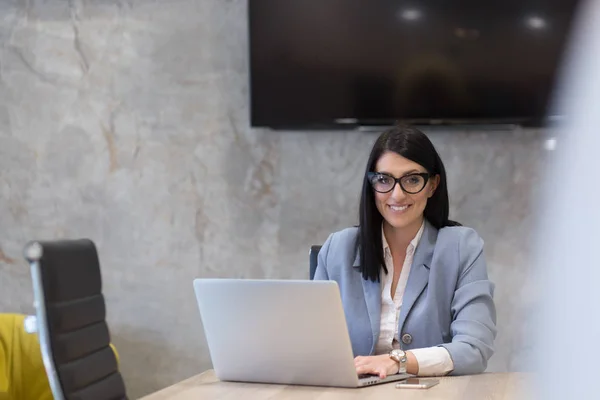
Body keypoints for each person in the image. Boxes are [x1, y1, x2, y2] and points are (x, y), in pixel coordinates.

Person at [314, 125, 496, 378]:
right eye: (384, 180)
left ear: (432, 185)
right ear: (372, 185)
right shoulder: (338, 248)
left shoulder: (461, 247)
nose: (397, 195)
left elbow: (474, 349)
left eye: (412, 180)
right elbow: (313, 347)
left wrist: (397, 361)